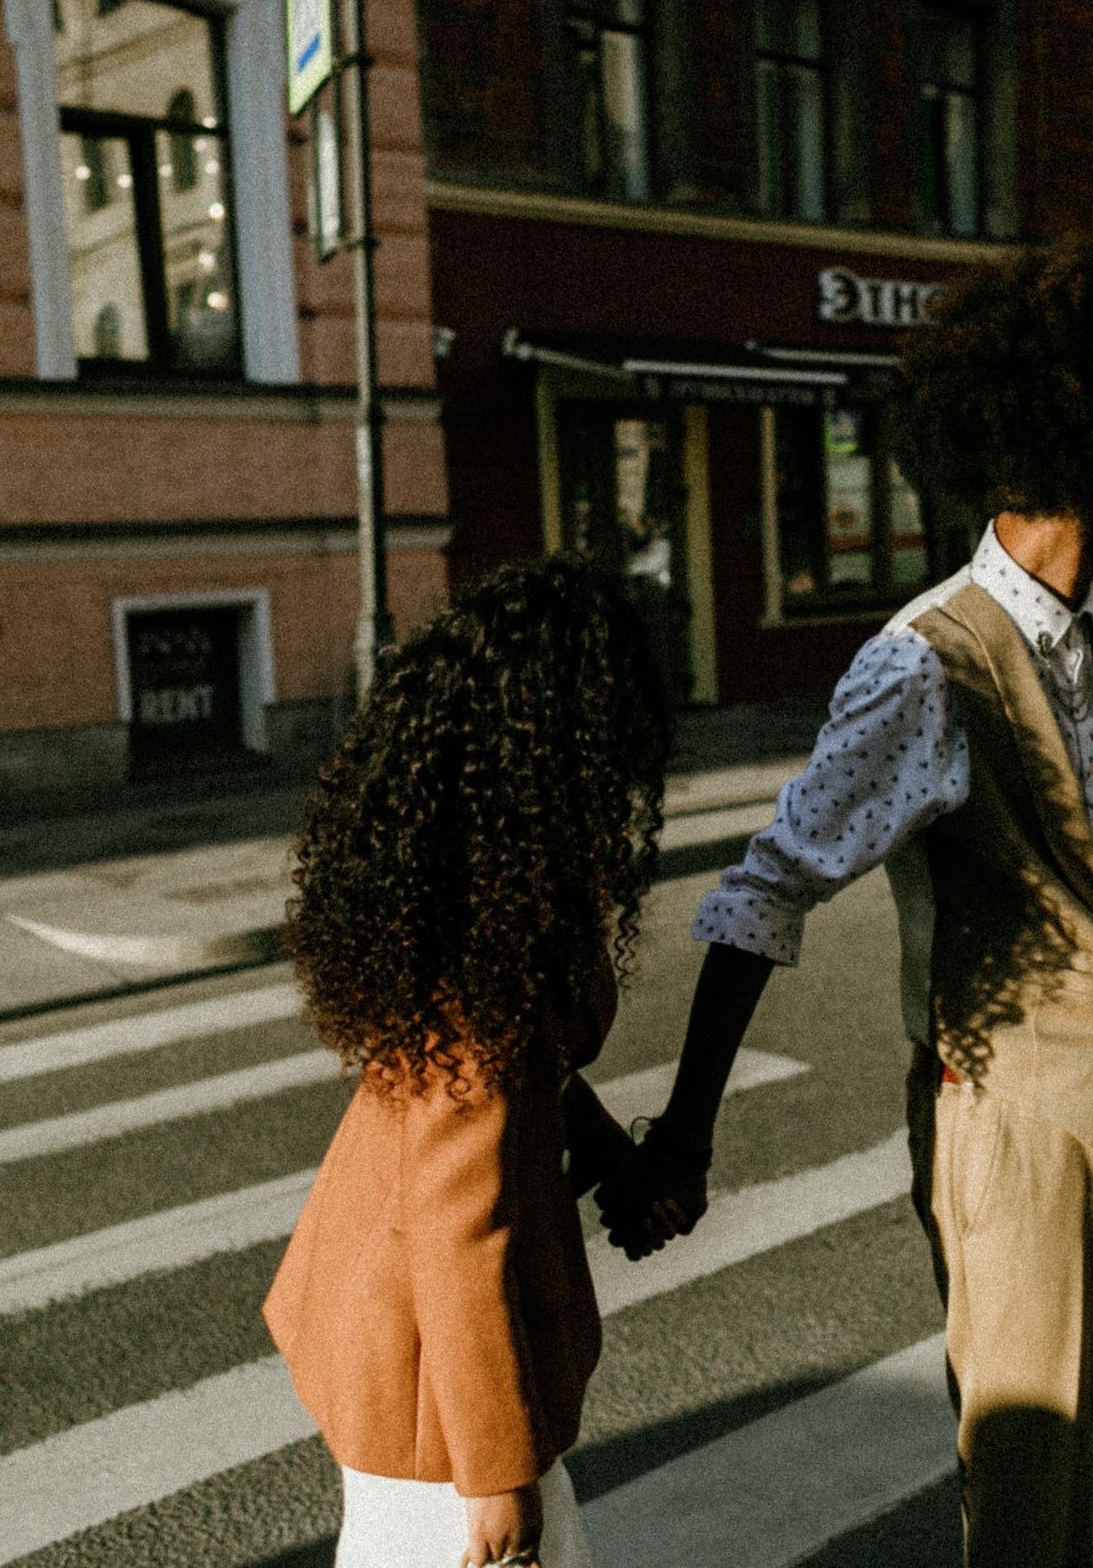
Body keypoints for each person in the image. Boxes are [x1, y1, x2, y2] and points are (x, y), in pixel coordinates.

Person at [602, 239, 1093, 1568]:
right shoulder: (920, 665)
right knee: (1033, 1505)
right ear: (1091, 451)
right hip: (1010, 1128)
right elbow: (766, 892)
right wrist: (688, 1131)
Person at [264, 557, 672, 1568]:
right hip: (429, 1393)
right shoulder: (480, 963)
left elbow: (529, 1080)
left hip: (409, 1351)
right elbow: (455, 1236)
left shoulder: (484, 902)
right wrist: (493, 1476)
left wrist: (607, 1154)